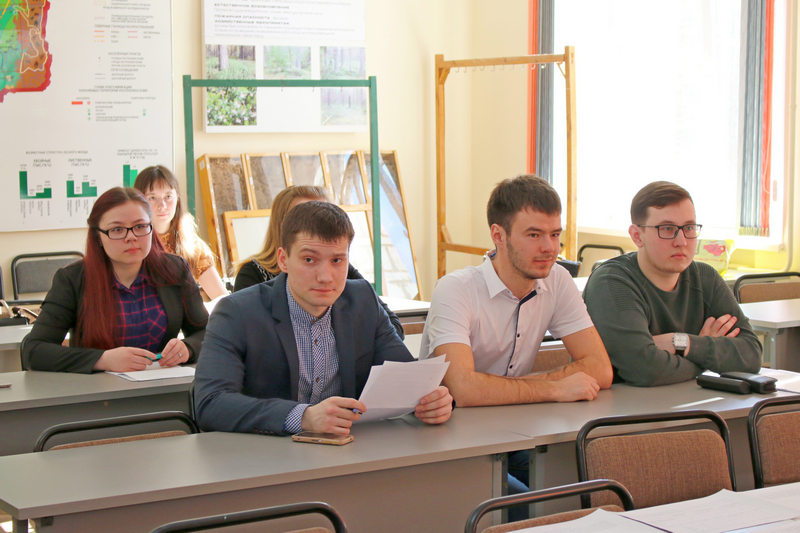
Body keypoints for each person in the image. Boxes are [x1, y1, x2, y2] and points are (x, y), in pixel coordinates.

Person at [420, 175, 613, 506]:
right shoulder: (456, 289)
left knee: (591, 486)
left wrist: (505, 389)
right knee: (536, 508)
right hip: (452, 443)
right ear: (499, 235)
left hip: (518, 432)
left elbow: (600, 369)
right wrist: (555, 388)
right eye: (534, 235)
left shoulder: (557, 279)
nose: (549, 247)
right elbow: (464, 390)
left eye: (555, 235)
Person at [194, 201, 452, 436]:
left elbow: (406, 377)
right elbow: (210, 403)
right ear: (283, 260)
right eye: (309, 260)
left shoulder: (363, 300)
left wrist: (434, 400)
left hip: (347, 454)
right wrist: (303, 417)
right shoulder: (236, 312)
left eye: (337, 260)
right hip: (264, 456)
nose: (325, 276)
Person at [583, 181, 762, 386]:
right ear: (637, 236)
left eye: (689, 228)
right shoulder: (612, 282)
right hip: (622, 404)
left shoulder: (706, 278)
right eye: (667, 229)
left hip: (689, 400)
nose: (682, 241)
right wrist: (702, 356)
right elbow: (644, 369)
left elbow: (751, 355)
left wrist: (681, 342)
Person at [21, 187, 208, 373]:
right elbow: (34, 350)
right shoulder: (72, 279)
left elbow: (206, 332)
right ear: (98, 236)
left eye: (140, 226)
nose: (131, 237)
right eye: (117, 229)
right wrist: (102, 360)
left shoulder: (175, 270)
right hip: (99, 388)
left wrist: (189, 348)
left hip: (164, 383)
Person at [233, 185, 404, 339]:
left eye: (326, 214)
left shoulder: (342, 271)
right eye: (305, 216)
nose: (325, 275)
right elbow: (252, 339)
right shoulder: (253, 273)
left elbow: (393, 329)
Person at [134, 165, 228, 301]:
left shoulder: (192, 246)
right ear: (139, 201)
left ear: (177, 198)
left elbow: (222, 299)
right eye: (152, 198)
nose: (162, 206)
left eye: (168, 197)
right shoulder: (131, 243)